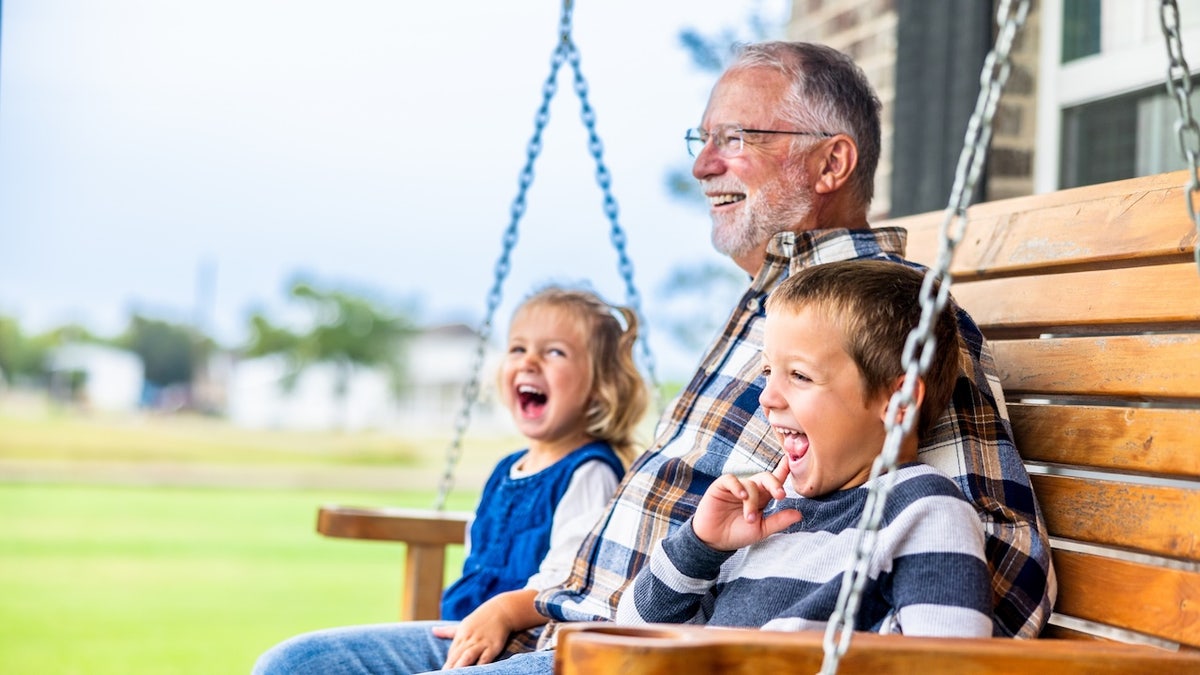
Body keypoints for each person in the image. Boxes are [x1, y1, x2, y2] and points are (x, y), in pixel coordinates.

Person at [253, 40, 1054, 675]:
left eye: (735, 139)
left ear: (830, 163)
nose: (703, 164)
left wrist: (773, 644)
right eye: (701, 140)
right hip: (589, 620)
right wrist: (533, 602)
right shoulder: (776, 310)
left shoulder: (888, 317)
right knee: (298, 662)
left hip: (656, 653)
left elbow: (995, 570)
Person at [254, 286, 647, 674]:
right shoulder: (507, 469)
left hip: (525, 646)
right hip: (466, 636)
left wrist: (504, 612)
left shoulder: (591, 472)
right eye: (517, 348)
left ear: (600, 386)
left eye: (554, 352)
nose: (529, 362)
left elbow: (571, 584)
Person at [615, 259, 993, 636]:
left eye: (799, 375)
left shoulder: (924, 512)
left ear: (900, 403)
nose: (767, 397)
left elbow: (949, 659)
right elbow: (633, 636)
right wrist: (701, 547)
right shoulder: (771, 515)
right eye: (767, 372)